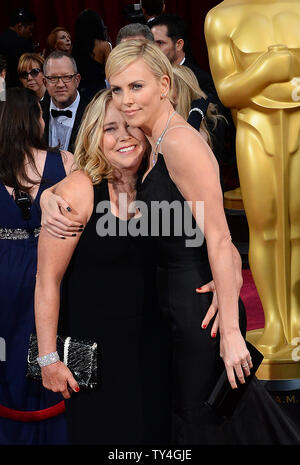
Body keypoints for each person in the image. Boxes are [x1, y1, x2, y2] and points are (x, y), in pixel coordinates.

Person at [104, 39, 300, 444]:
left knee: (205, 425)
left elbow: (220, 236)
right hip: (179, 304)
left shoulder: (179, 143)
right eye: (116, 89)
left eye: (136, 87)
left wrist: (230, 331)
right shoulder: (155, 142)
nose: (124, 100)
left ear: (164, 84)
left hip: (201, 316)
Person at [35, 89, 172, 445]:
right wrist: (47, 358)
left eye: (131, 125)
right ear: (95, 136)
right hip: (93, 357)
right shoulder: (79, 191)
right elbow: (47, 281)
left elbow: (210, 239)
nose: (124, 136)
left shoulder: (159, 185)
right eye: (111, 128)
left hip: (154, 349)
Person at [0, 87, 74, 445]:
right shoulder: (65, 162)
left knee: (8, 353)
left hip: (5, 273)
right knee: (56, 342)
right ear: (34, 120)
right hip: (54, 267)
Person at [42, 51, 88, 153]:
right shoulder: (35, 113)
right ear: (45, 82)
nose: (60, 84)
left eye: (67, 77)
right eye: (53, 78)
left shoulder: (94, 113)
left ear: (77, 80)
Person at [72, 9, 111, 102]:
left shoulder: (74, 48)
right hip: (99, 93)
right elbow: (111, 71)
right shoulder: (104, 46)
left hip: (79, 93)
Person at [0, 8, 36, 88]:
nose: (30, 34)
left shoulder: (2, 39)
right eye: (30, 29)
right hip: (16, 91)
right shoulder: (22, 44)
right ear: (20, 26)